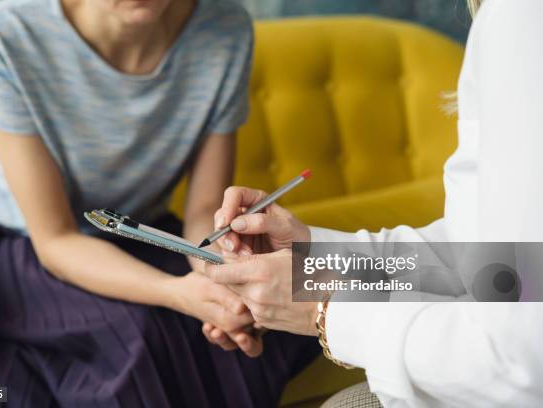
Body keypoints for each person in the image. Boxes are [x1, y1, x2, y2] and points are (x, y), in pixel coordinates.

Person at [0, 0, 319, 406]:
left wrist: (216, 276)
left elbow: (203, 208)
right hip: (17, 244)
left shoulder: (224, 28)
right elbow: (55, 240)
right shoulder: (4, 34)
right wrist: (177, 293)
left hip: (141, 232)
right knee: (139, 335)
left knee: (260, 309)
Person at [202, 0, 543, 406]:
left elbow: (514, 363)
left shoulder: (521, 19)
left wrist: (326, 312)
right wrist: (314, 260)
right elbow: (493, 260)